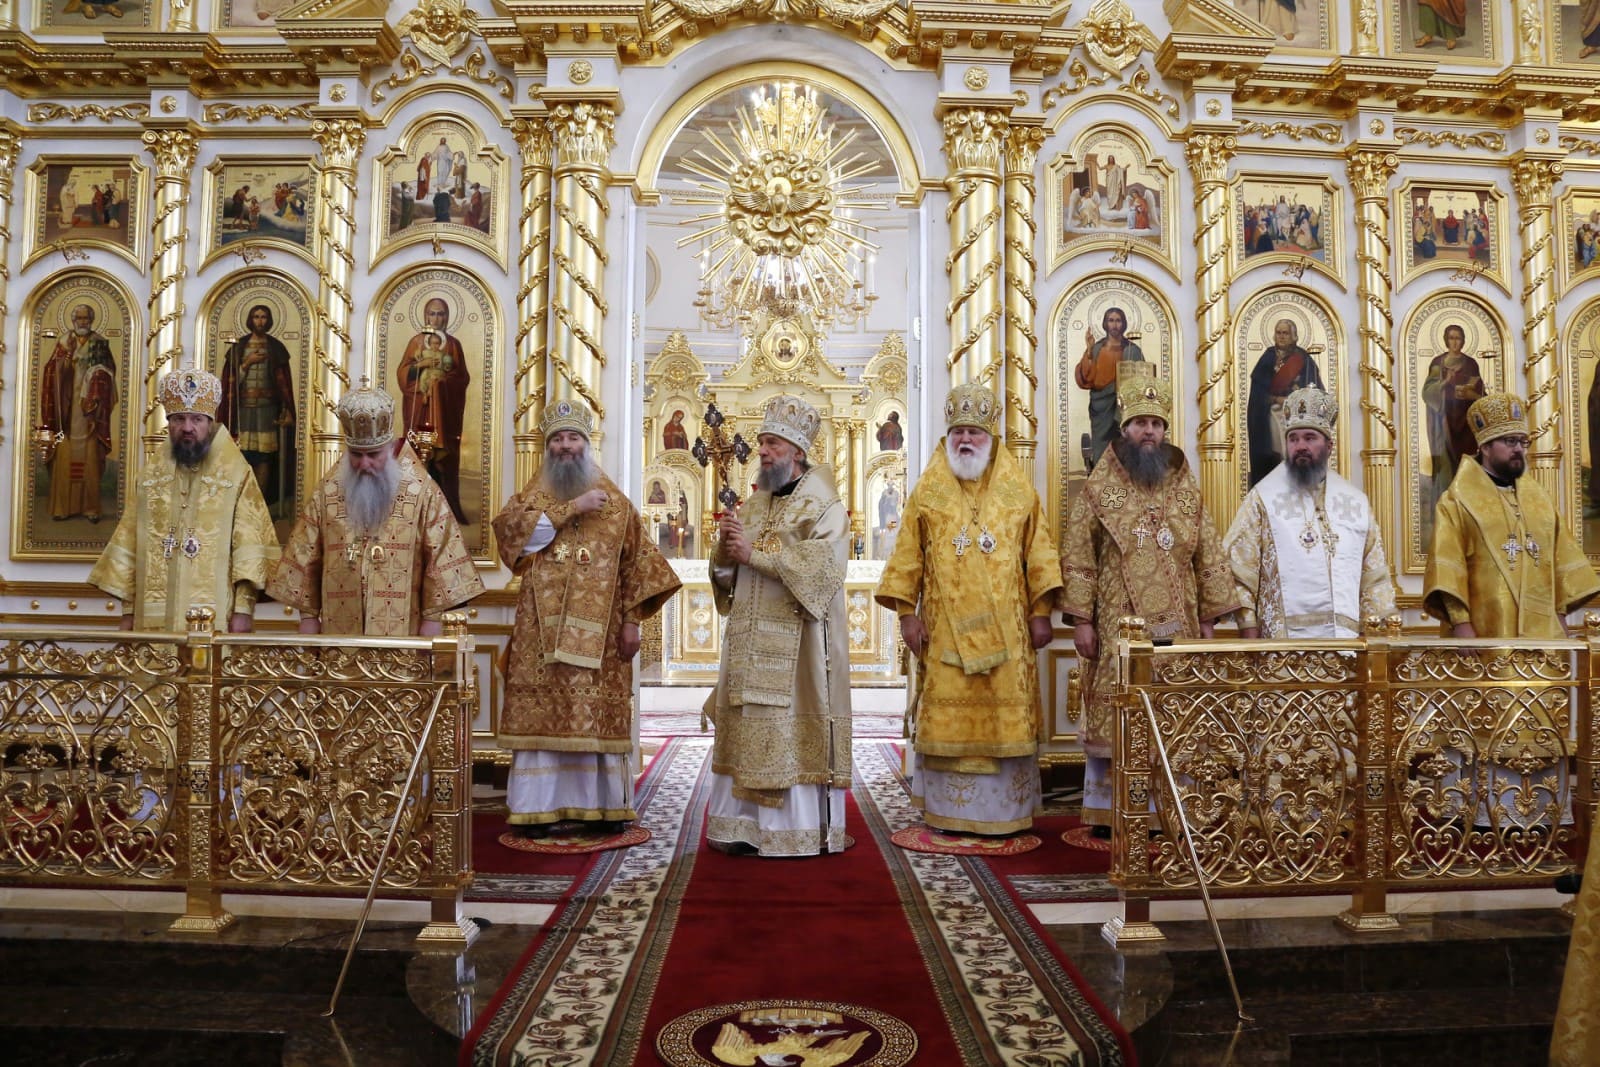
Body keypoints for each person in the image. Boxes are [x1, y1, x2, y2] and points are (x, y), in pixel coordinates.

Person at [875, 384, 1062, 835]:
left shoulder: (1018, 491)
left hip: (1009, 632)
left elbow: (1039, 552)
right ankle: (948, 811)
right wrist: (906, 614)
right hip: (943, 633)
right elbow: (907, 555)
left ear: (991, 438)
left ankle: (1005, 815)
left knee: (1001, 720)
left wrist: (1040, 611)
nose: (965, 440)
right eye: (957, 431)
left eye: (974, 433)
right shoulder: (928, 491)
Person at [492, 400, 680, 836]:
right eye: (557, 438)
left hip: (602, 637)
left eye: (573, 437)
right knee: (542, 718)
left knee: (594, 717)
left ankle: (600, 808)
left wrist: (633, 622)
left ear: (587, 443)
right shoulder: (533, 496)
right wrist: (570, 508)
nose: (565, 446)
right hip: (539, 637)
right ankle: (537, 809)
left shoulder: (615, 502)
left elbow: (640, 566)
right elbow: (510, 539)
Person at [1060, 375, 1238, 830]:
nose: (1149, 432)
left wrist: (1210, 619)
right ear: (1124, 427)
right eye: (1140, 422)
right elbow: (1078, 550)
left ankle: (1170, 812)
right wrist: (1081, 620)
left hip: (1179, 626)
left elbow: (1209, 550)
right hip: (1117, 621)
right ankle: (1109, 812)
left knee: (1172, 713)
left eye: (1156, 424)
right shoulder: (1102, 484)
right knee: (1121, 709)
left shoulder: (1182, 481)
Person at [706, 394, 852, 856]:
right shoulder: (754, 505)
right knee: (749, 724)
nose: (763, 451)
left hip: (800, 650)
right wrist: (725, 554)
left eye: (771, 443)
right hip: (750, 645)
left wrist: (755, 556)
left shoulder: (823, 505)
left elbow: (822, 572)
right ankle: (742, 827)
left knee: (786, 728)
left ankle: (792, 832)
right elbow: (729, 575)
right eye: (762, 442)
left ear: (797, 451)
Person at [268, 383, 483, 636]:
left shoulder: (421, 490)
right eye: (356, 455)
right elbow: (305, 554)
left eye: (373, 454)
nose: (364, 464)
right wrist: (308, 616)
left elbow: (441, 557)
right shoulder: (328, 491)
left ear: (389, 448)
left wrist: (433, 620)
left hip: (403, 635)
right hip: (339, 632)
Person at [88, 369, 279, 633]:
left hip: (215, 615)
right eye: (179, 419)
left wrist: (244, 610)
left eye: (196, 419)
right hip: (153, 615)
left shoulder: (236, 474)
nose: (187, 427)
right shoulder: (150, 477)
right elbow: (131, 545)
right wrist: (129, 612)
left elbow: (249, 545)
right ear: (169, 422)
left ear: (209, 422)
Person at [1224, 385, 1395, 639]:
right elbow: (1238, 571)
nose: (1300, 446)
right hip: (1281, 653)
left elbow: (1374, 578)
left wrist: (1378, 640)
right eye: (1293, 439)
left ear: (1329, 446)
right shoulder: (1263, 498)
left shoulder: (1355, 503)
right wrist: (1249, 634)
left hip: (1345, 652)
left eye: (1309, 438)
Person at [1425, 392, 1599, 638]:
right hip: (1486, 632)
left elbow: (1561, 562)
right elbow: (1448, 567)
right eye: (1509, 441)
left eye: (1522, 441)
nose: (1519, 449)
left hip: (1542, 637)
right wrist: (1460, 624)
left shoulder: (1540, 500)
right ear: (1485, 447)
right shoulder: (1456, 502)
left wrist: (1559, 615)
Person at [40, 303, 118, 524]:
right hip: (66, 411)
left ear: (92, 320)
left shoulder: (99, 343)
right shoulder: (64, 342)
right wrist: (63, 363)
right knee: (65, 455)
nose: (83, 322)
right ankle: (62, 507)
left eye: (86, 318)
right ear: (73, 320)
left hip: (90, 412)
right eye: (79, 318)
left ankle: (91, 508)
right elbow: (50, 371)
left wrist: (98, 378)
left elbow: (110, 371)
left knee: (90, 458)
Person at [398, 296, 471, 523]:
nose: (436, 318)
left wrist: (442, 384)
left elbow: (461, 377)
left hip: (445, 412)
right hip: (420, 409)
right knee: (418, 455)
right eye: (432, 313)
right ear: (425, 316)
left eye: (441, 314)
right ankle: (413, 512)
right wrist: (420, 368)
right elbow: (403, 375)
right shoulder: (416, 343)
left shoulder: (453, 345)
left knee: (444, 460)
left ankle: (449, 510)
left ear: (447, 317)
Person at [219, 304, 296, 512]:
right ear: (250, 320)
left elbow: (284, 386)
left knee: (264, 456)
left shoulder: (276, 348)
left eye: (263, 317)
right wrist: (247, 363)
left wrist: (287, 410)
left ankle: (259, 505)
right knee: (243, 454)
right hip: (243, 410)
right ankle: (241, 504)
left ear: (269, 320)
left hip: (267, 410)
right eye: (256, 316)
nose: (260, 321)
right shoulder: (239, 347)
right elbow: (231, 383)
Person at [1421, 324, 1485, 530]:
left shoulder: (1471, 364)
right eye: (1451, 338)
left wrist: (1471, 394)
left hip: (1466, 426)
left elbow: (1481, 394)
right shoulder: (1438, 363)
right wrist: (1444, 383)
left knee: (1466, 464)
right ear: (1446, 340)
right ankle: (1444, 509)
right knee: (1446, 466)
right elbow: (1427, 392)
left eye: (1458, 338)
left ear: (1464, 340)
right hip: (1444, 424)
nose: (1455, 342)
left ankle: (1467, 509)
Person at [1247, 317, 1322, 487]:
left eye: (1285, 333)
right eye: (1278, 333)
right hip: (1271, 413)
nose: (1281, 336)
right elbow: (1257, 395)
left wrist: (1294, 399)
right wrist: (1274, 399)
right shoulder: (1267, 358)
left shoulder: (1304, 359)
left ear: (1294, 336)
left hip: (1296, 416)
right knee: (1276, 450)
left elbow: (1315, 391)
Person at [1074, 306, 1146, 469]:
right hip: (1101, 407)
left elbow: (1144, 379)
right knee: (1101, 445)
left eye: (1118, 320)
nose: (1114, 325)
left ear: (1124, 324)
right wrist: (1090, 351)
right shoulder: (1097, 348)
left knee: (1125, 443)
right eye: (1111, 320)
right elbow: (1086, 377)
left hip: (1125, 407)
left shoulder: (1133, 350)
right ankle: (1100, 476)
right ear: (1105, 324)